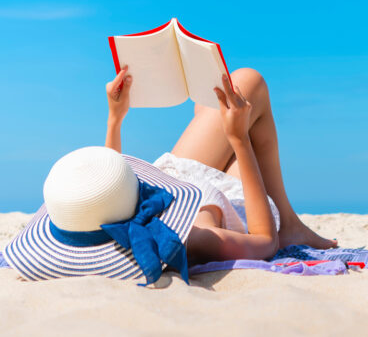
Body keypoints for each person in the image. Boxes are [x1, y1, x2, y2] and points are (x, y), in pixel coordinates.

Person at [104, 66, 337, 266]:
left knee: (218, 103)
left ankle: (290, 226)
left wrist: (115, 117)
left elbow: (105, 188)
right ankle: (288, 225)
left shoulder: (109, 211)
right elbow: (265, 241)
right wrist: (239, 140)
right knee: (246, 85)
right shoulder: (198, 237)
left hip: (166, 185)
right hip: (232, 206)